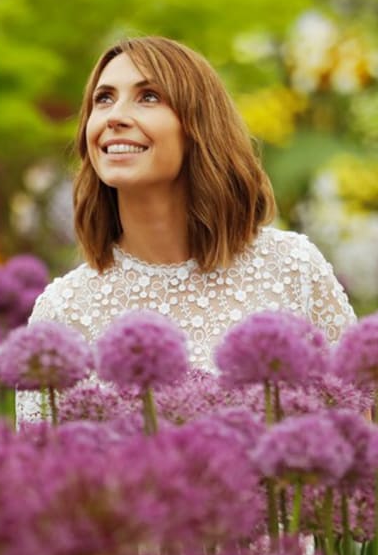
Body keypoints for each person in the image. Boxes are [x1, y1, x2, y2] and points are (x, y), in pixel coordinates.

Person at [24, 36, 355, 392]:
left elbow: (355, 433)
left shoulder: (294, 269)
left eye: (148, 96)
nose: (114, 116)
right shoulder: (62, 313)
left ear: (199, 127)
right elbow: (43, 448)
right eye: (103, 99)